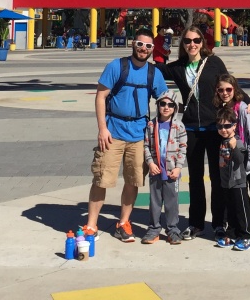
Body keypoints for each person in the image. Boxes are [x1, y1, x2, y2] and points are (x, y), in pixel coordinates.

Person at [80, 29, 169, 243]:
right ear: (132, 44)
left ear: (152, 49)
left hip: (139, 135)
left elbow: (165, 100)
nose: (143, 49)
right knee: (102, 178)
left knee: (133, 180)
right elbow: (101, 97)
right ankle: (91, 224)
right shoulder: (116, 66)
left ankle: (123, 223)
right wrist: (102, 128)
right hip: (113, 132)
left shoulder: (154, 73)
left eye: (148, 46)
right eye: (140, 44)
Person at [162, 26, 234, 242]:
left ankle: (219, 223)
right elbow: (155, 71)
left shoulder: (214, 62)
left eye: (196, 40)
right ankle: (196, 224)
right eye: (187, 41)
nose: (192, 44)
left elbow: (229, 85)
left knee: (217, 177)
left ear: (202, 42)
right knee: (195, 178)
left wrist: (247, 101)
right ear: (182, 44)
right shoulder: (178, 67)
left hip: (215, 127)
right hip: (191, 128)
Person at [213, 73, 250, 242]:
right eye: (221, 90)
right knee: (240, 192)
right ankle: (246, 224)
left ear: (235, 89)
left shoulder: (243, 109)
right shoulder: (221, 108)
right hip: (235, 158)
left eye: (228, 89)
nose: (225, 93)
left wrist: (248, 164)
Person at [141, 91, 187, 245]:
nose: (166, 107)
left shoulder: (179, 126)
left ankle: (173, 230)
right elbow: (146, 146)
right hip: (156, 170)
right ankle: (153, 229)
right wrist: (150, 163)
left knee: (171, 202)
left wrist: (178, 167)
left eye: (170, 105)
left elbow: (183, 148)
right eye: (163, 104)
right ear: (158, 105)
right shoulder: (151, 125)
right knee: (154, 201)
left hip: (172, 171)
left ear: (175, 108)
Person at [215, 107, 250, 251]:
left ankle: (247, 236)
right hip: (226, 183)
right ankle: (232, 234)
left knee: (241, 210)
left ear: (234, 126)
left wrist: (234, 148)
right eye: (220, 126)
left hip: (238, 182)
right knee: (230, 210)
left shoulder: (236, 142)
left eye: (227, 126)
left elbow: (240, 160)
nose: (223, 129)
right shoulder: (222, 141)